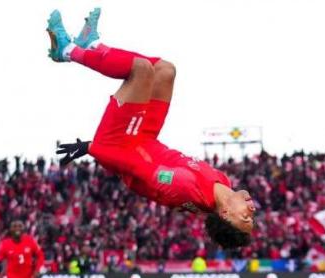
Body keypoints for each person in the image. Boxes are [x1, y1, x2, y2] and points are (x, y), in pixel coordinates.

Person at [49, 8, 255, 249]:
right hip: (145, 138)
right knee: (166, 70)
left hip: (119, 144)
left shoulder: (185, 189)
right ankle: (93, 44)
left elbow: (135, 166)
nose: (252, 209)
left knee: (142, 70)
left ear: (225, 215)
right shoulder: (223, 182)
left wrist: (91, 147)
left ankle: (66, 51)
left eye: (246, 217)